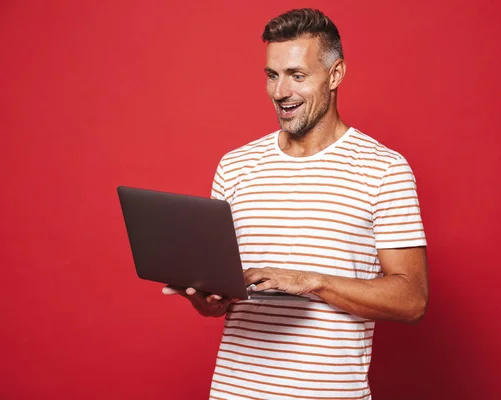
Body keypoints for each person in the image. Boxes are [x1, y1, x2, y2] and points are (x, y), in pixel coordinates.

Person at [163, 8, 428, 399]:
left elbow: (413, 299)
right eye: (273, 75)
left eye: (297, 76)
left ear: (335, 74)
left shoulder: (384, 170)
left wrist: (310, 281)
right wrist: (208, 299)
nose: (280, 92)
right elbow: (222, 304)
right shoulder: (235, 166)